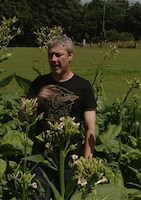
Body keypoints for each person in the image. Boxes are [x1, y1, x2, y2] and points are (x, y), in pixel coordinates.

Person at [23, 35, 97, 199]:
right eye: (50, 55)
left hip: (72, 159)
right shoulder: (39, 83)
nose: (53, 59)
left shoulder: (83, 87)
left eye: (58, 55)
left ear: (70, 56)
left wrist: (87, 162)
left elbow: (91, 126)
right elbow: (23, 117)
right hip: (42, 159)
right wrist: (38, 99)